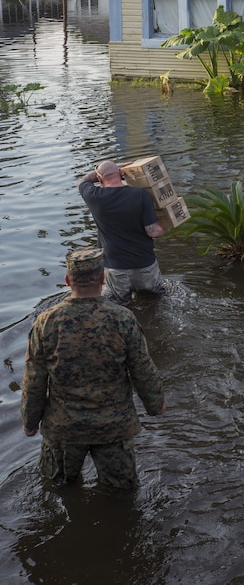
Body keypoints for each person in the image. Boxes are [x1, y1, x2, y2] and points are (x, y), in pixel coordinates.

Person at [21, 247, 166, 488]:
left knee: (58, 490)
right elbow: (142, 368)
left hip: (64, 428)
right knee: (121, 494)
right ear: (102, 279)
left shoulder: (46, 322)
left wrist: (30, 421)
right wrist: (155, 403)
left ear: (67, 281)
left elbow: (34, 380)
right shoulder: (123, 318)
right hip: (113, 428)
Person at [78, 159, 165, 305]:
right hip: (144, 262)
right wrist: (168, 225)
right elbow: (153, 232)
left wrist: (103, 172)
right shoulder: (141, 195)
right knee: (154, 302)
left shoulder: (94, 197)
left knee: (120, 305)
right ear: (120, 173)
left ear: (99, 179)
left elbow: (83, 180)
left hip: (116, 265)